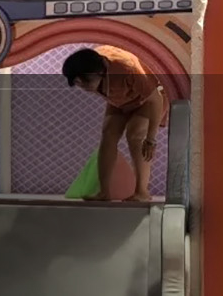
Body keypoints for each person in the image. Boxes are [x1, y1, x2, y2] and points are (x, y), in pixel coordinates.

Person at [61, 46, 167, 203]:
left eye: (87, 81)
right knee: (108, 134)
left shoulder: (128, 69)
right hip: (121, 99)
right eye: (79, 84)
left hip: (148, 99)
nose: (84, 86)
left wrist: (151, 139)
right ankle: (104, 192)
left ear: (101, 71)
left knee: (135, 134)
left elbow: (156, 100)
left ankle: (142, 191)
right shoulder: (93, 63)